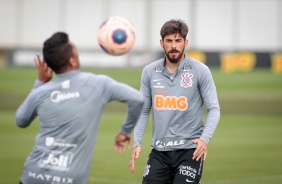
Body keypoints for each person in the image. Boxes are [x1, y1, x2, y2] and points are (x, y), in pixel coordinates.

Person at [15, 32, 144, 184]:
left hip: (33, 176)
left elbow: (21, 120)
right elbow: (138, 99)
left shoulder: (41, 92)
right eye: (75, 51)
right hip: (69, 180)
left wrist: (39, 84)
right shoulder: (98, 84)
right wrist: (124, 131)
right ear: (71, 61)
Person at [128, 19, 220, 184]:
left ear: (186, 42)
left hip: (190, 151)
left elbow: (214, 108)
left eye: (178, 41)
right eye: (169, 41)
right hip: (159, 151)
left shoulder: (200, 70)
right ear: (161, 43)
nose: (174, 46)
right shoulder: (149, 71)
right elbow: (143, 110)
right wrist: (137, 143)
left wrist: (204, 139)